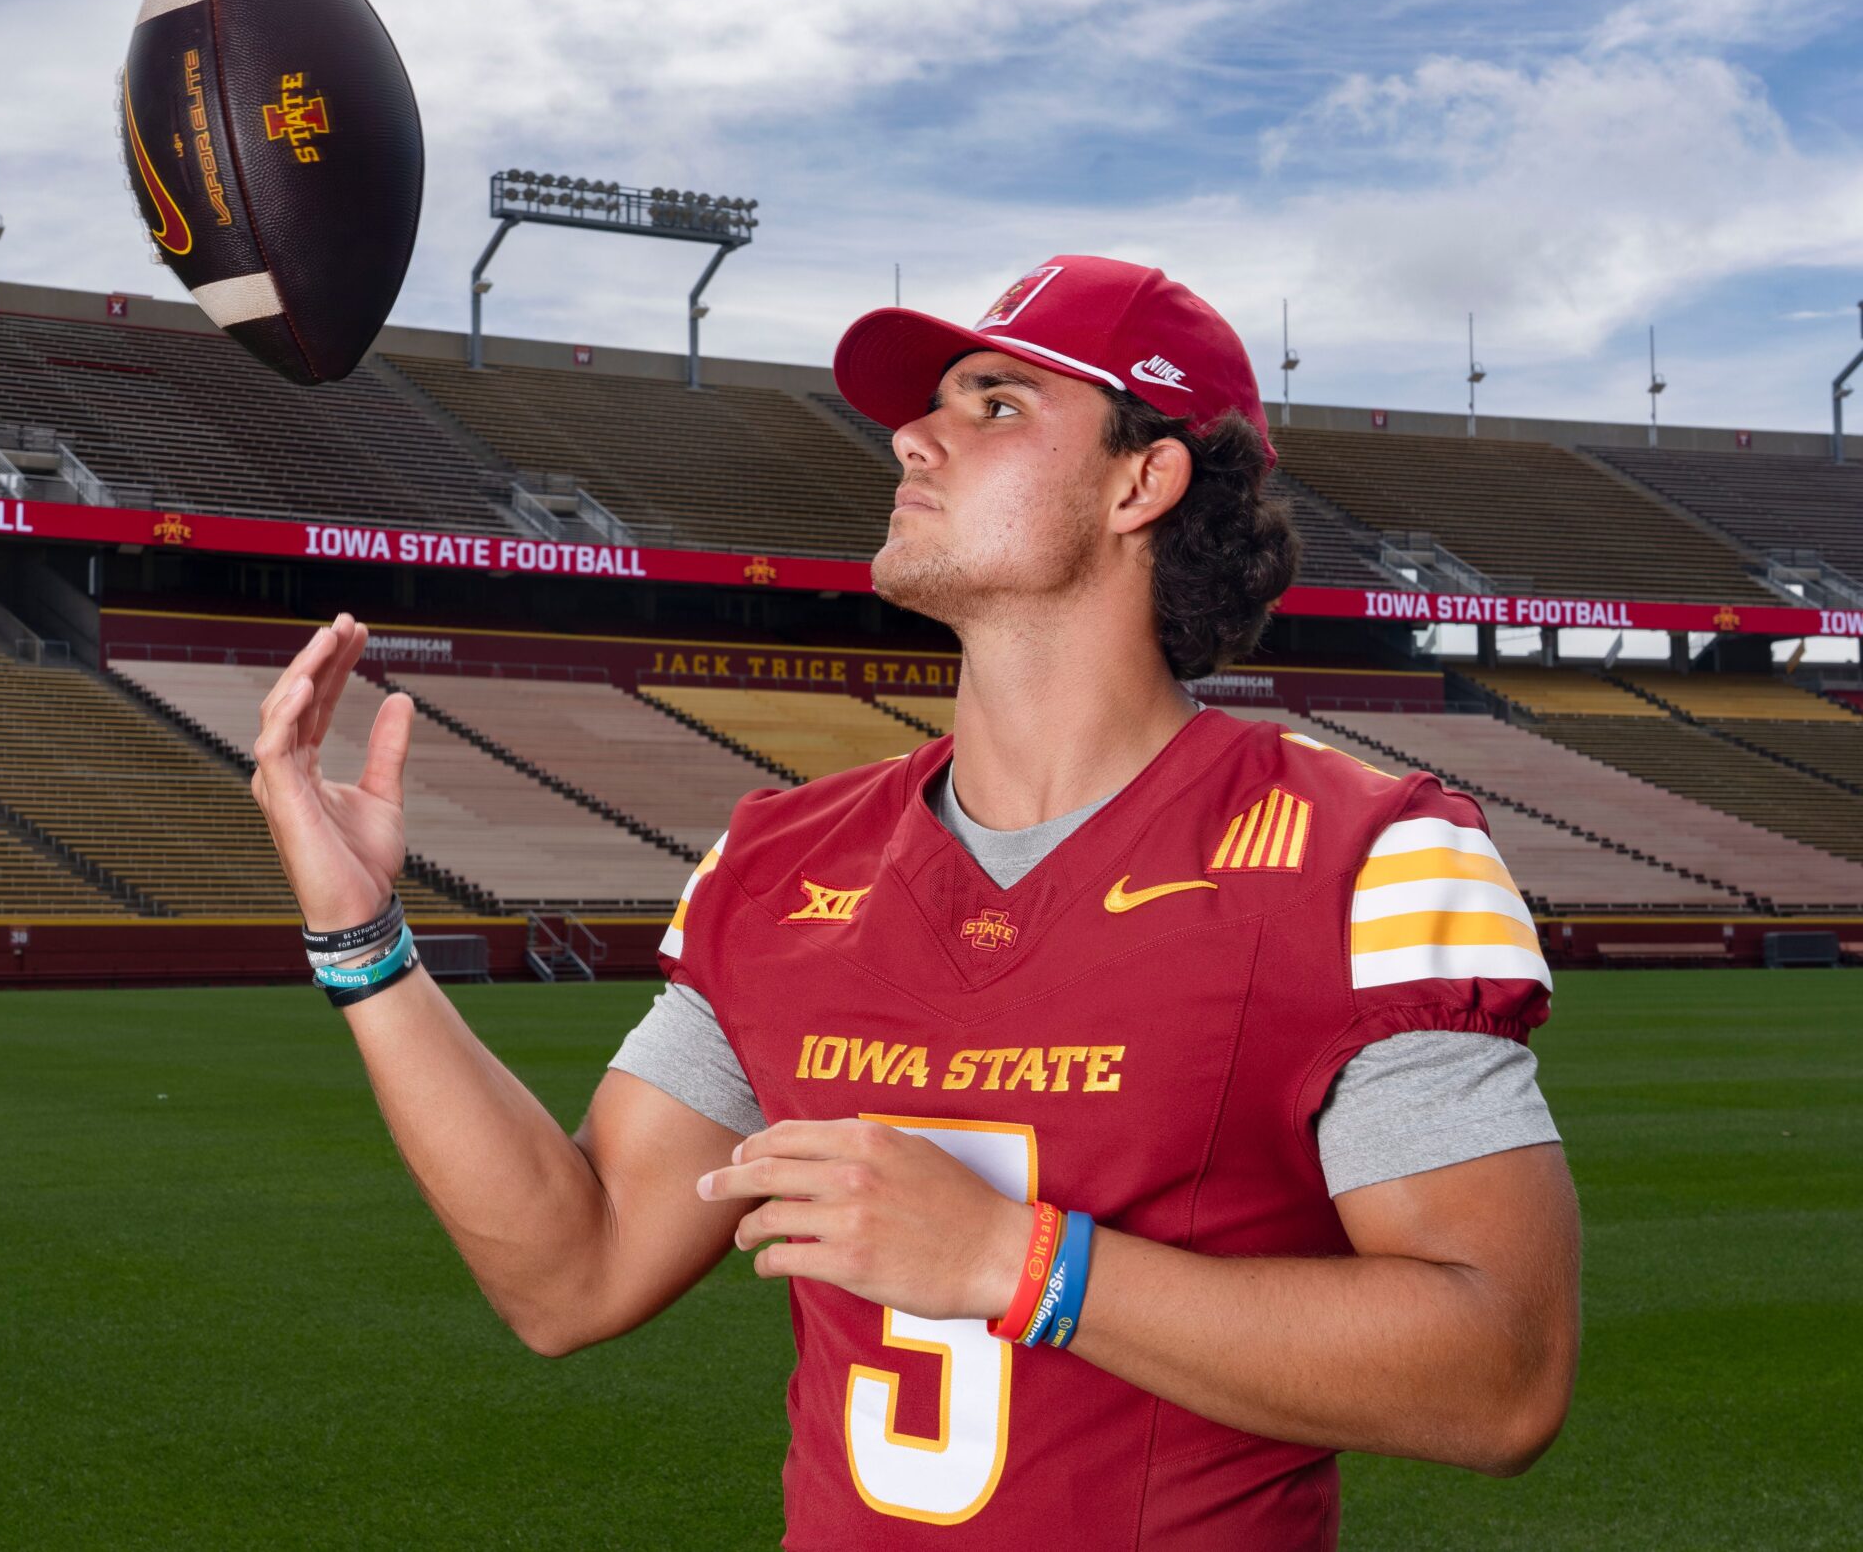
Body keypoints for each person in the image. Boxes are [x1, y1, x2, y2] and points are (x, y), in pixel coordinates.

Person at [247, 255, 1580, 1549]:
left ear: (1143, 477)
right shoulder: (779, 863)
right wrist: (366, 943)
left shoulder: (1370, 857)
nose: (913, 441)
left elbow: (1501, 1372)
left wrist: (1020, 1262)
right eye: (929, 405)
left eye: (994, 404)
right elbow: (570, 1271)